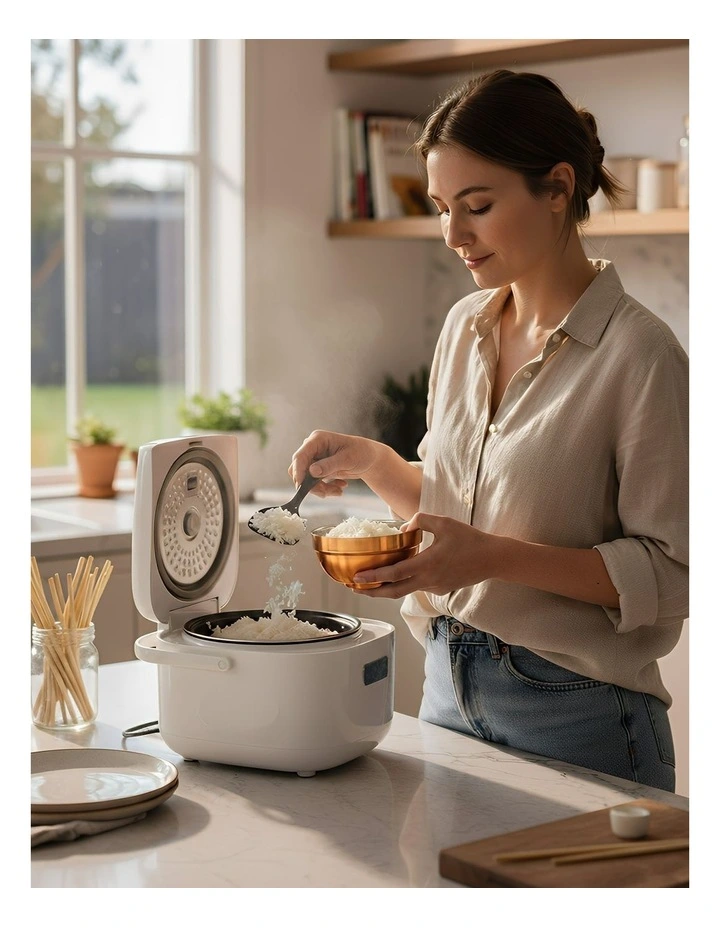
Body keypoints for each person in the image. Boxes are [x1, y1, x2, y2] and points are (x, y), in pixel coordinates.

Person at [290, 69, 688, 791]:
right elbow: (458, 521)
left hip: (580, 716)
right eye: (442, 207)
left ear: (560, 187)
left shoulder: (642, 354)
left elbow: (670, 575)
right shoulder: (463, 328)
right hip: (444, 690)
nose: (452, 234)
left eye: (476, 205)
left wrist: (490, 559)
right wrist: (378, 463)